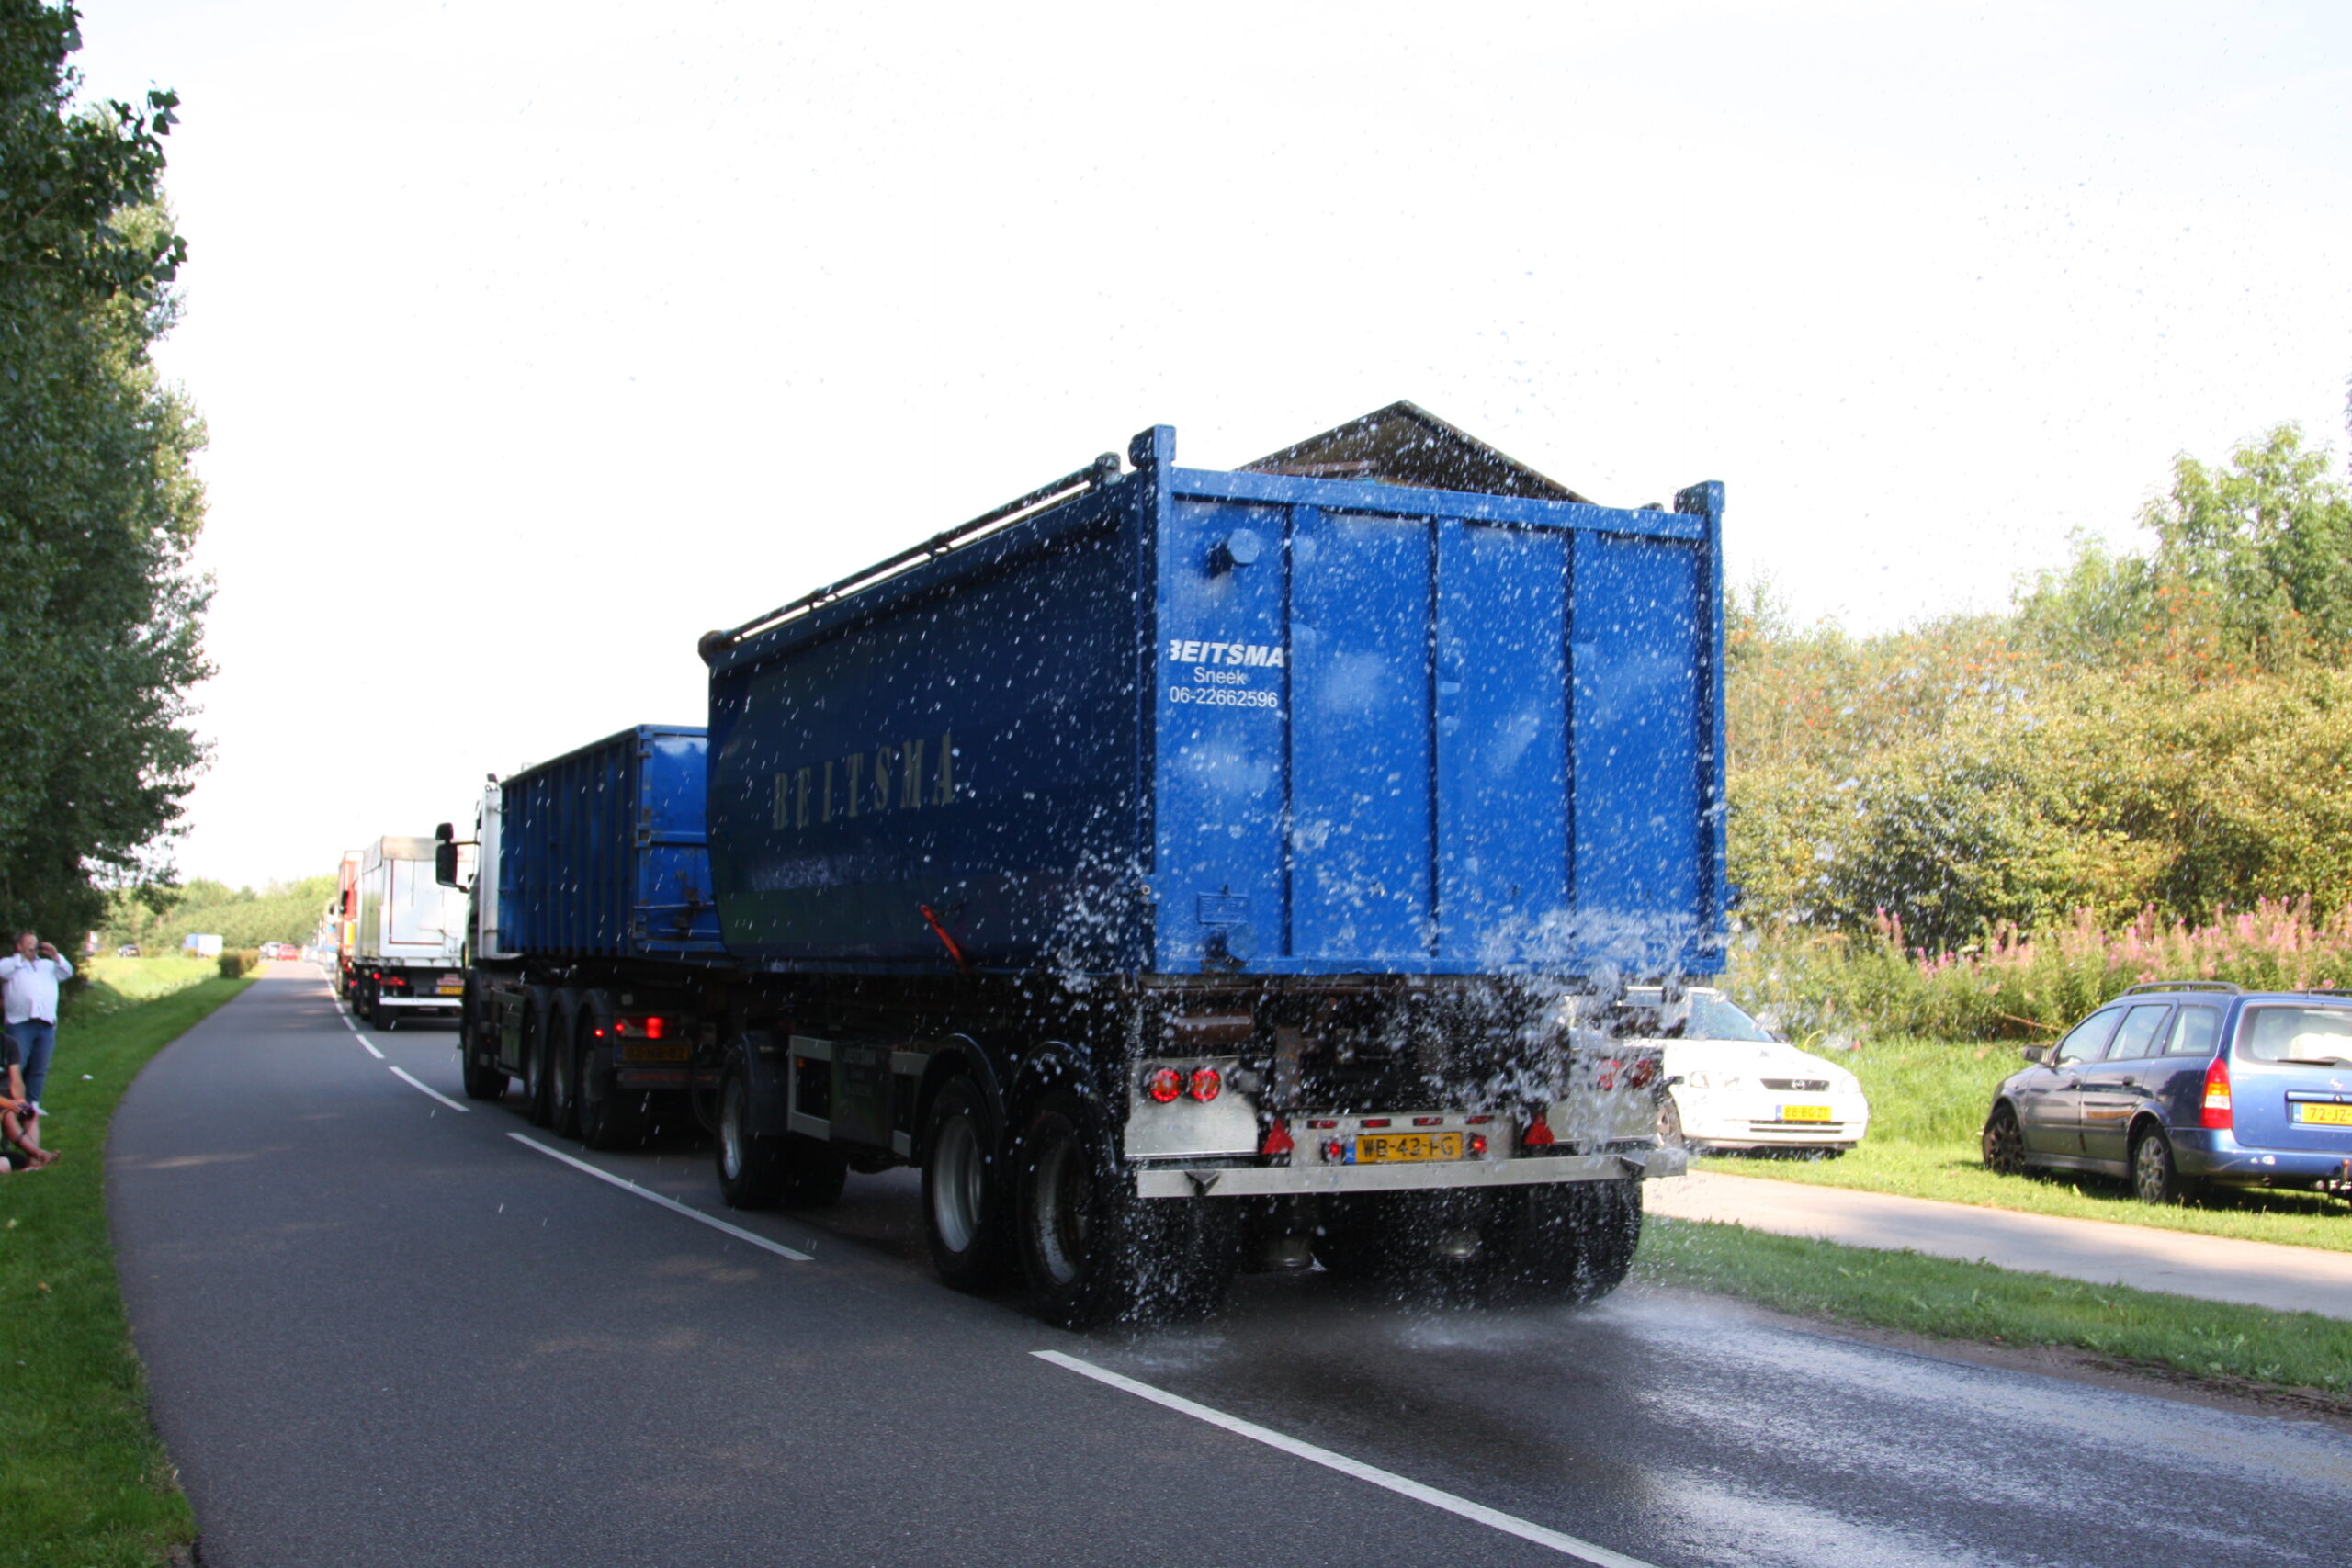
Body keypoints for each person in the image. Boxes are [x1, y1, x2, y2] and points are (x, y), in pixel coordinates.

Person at [0, 930, 72, 1114]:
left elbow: (67, 972)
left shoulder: (47, 966)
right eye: (30, 945)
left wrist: (55, 955)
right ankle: (12, 1105)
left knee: (39, 1066)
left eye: (35, 945)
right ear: (20, 946)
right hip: (20, 1023)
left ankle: (33, 1104)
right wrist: (21, 958)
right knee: (17, 1066)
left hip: (45, 1022)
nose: (34, 949)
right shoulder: (11, 964)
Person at [0, 1023, 55, 1171]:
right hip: (3, 1103)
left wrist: (20, 1102)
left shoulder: (8, 1044)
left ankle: (34, 1162)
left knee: (29, 1114)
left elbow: (16, 1079)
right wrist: (8, 1104)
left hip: (7, 1101)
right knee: (9, 1115)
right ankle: (39, 1154)